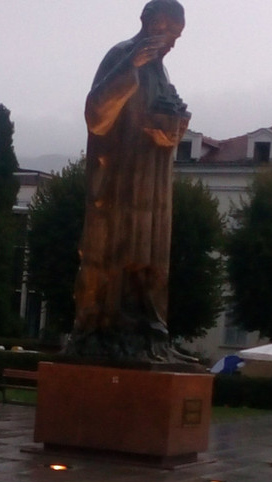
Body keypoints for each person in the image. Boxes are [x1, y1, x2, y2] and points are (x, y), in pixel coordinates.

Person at [67, 0, 190, 362]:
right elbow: (96, 116)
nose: (171, 43)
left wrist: (174, 127)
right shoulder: (122, 56)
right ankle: (107, 331)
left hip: (152, 185)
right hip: (119, 183)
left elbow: (158, 120)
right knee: (117, 257)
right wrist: (129, 68)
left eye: (177, 36)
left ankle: (152, 336)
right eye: (169, 32)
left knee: (151, 258)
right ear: (149, 23)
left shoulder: (162, 74)